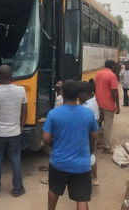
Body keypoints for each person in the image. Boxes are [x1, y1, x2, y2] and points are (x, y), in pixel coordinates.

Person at [43, 79, 99, 210]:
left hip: (59, 162)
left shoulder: (53, 114)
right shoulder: (88, 113)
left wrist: (54, 144)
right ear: (78, 94)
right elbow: (95, 135)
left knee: (53, 190)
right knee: (82, 198)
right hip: (82, 164)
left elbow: (46, 138)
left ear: (62, 94)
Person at [0, 65, 27, 197]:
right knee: (15, 159)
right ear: (12, 76)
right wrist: (21, 126)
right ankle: (17, 189)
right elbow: (24, 110)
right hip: (15, 132)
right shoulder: (21, 90)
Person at [95, 60, 120, 154]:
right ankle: (106, 147)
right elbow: (114, 92)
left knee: (98, 123)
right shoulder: (112, 75)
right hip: (108, 104)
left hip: (98, 103)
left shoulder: (98, 73)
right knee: (107, 126)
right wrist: (117, 105)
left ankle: (96, 143)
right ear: (112, 66)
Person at [78, 81, 100, 186]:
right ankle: (92, 176)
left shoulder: (89, 106)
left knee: (90, 156)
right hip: (87, 133)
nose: (77, 97)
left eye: (79, 94)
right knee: (89, 155)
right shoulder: (88, 101)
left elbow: (94, 123)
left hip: (89, 134)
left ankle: (94, 177)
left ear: (84, 94)